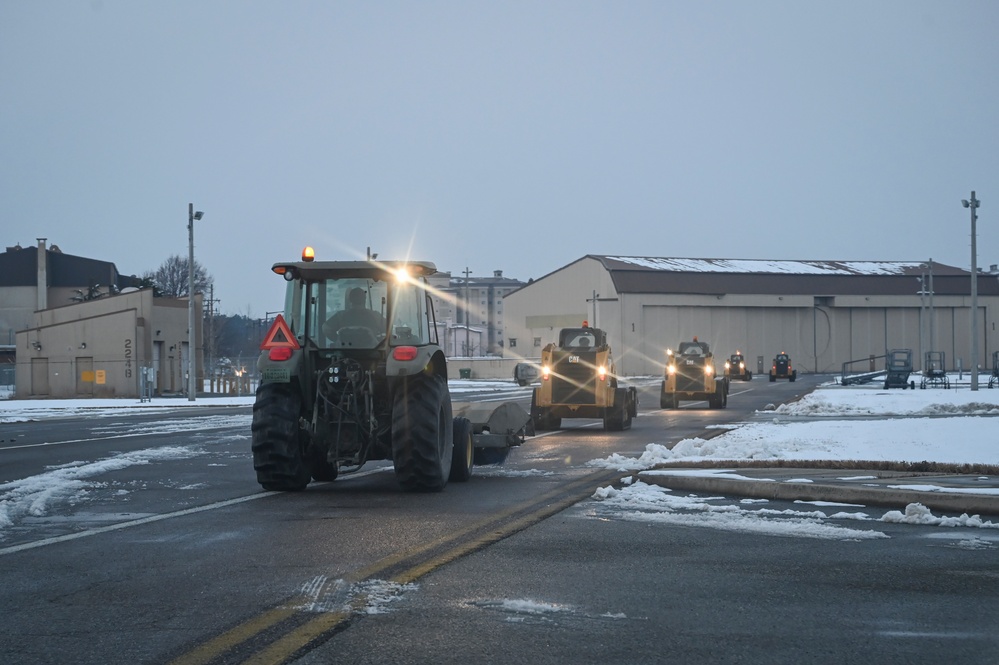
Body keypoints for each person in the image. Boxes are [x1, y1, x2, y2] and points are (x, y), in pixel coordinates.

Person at [323, 287, 387, 341]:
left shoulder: (340, 316)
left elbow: (325, 328)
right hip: (371, 352)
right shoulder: (375, 316)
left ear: (350, 300)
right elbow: (388, 328)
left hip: (345, 352)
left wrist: (338, 340)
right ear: (364, 299)